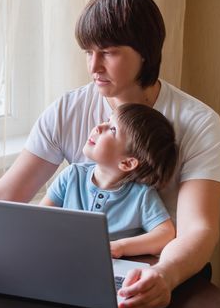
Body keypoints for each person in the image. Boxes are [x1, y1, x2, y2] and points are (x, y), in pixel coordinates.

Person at [0, 0, 220, 308]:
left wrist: (164, 275)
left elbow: (198, 229)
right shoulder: (69, 109)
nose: (93, 67)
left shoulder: (198, 123)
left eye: (108, 52)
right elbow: (7, 195)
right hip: (74, 270)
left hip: (160, 270)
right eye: (88, 53)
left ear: (146, 54)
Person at [39, 103, 177, 259]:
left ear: (127, 163)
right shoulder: (72, 175)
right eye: (107, 120)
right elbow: (40, 219)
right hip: (63, 258)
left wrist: (121, 247)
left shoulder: (141, 196)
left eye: (112, 129)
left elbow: (166, 233)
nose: (99, 127)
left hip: (110, 268)